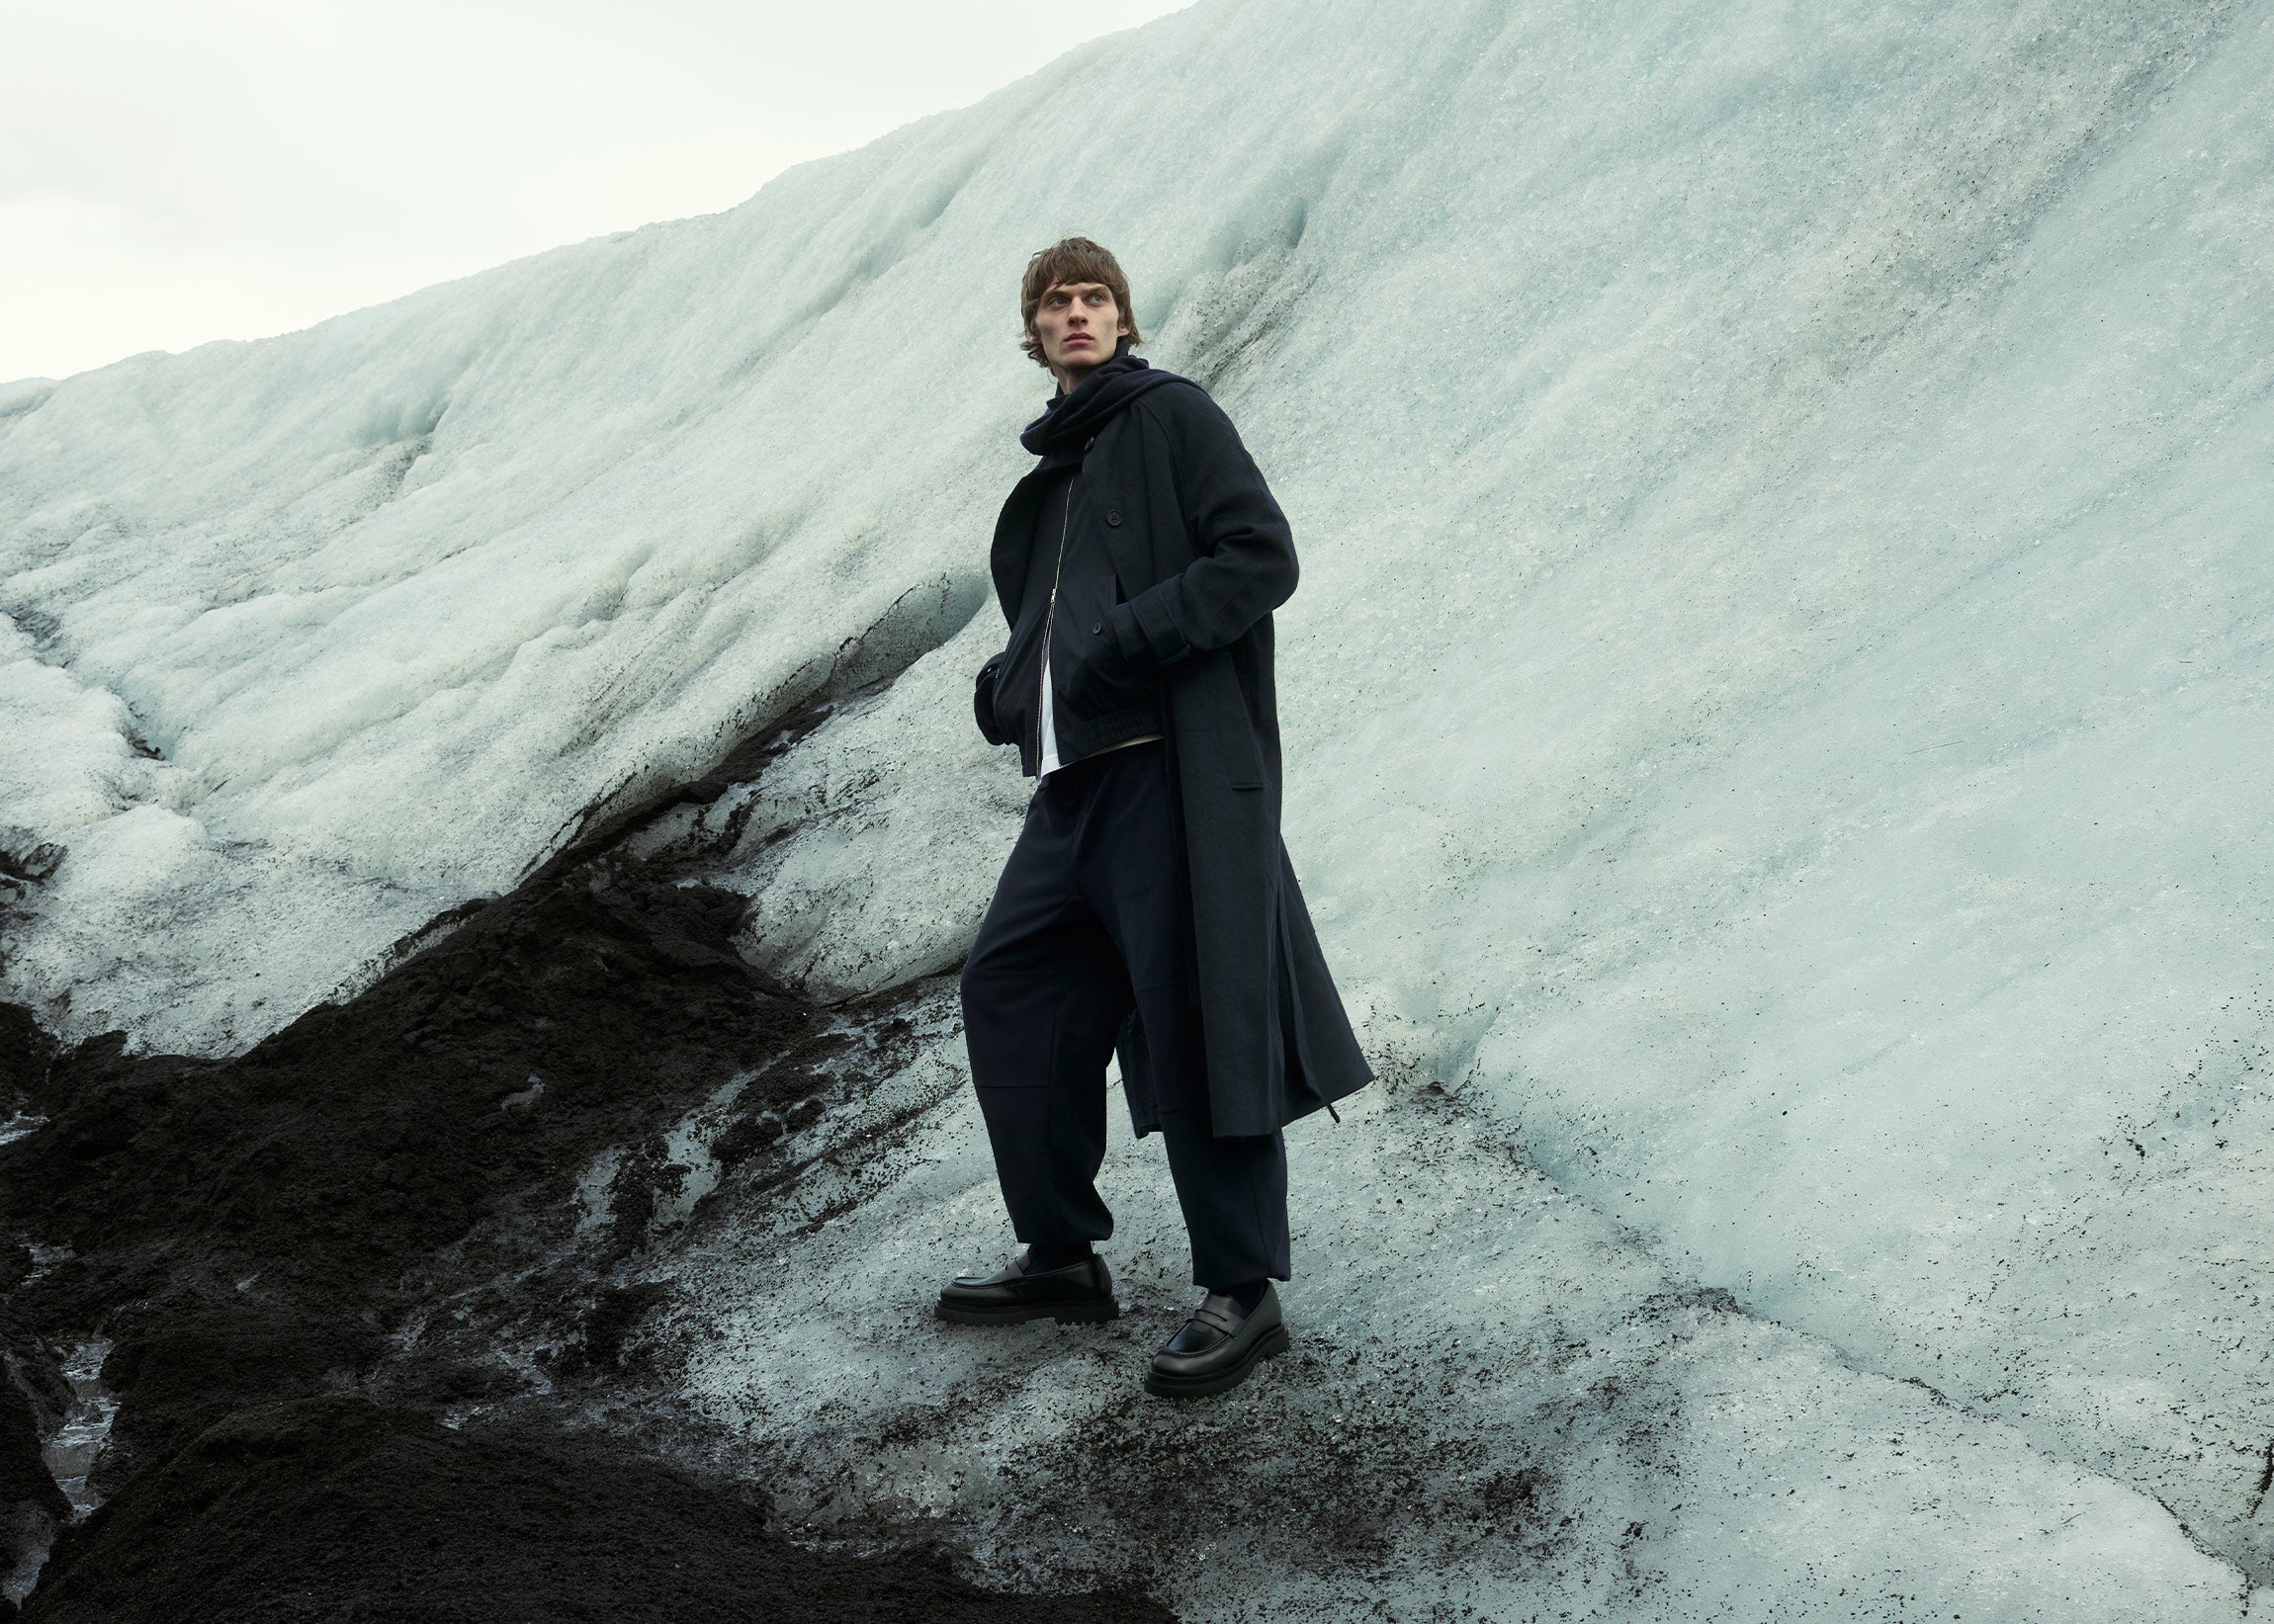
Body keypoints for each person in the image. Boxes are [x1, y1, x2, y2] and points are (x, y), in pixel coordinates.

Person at [939, 236, 1372, 1399]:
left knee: (1195, 1019)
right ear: (1029, 334)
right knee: (1011, 990)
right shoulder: (1053, 471)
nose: (1074, 314)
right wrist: (1008, 682)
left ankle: (1242, 1287)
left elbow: (1258, 557)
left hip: (1168, 777)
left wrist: (1128, 642)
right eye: (1053, 302)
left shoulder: (1173, 416)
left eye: (1094, 298)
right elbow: (1051, 617)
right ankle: (1062, 1254)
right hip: (1069, 790)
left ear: (1122, 321)